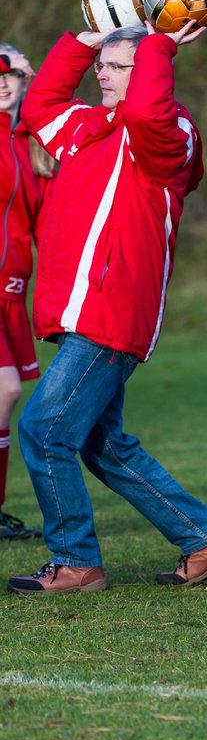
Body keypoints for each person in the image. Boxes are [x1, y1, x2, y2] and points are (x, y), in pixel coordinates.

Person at [7, 22, 207, 595]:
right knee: (100, 442)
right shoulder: (90, 125)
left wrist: (160, 46)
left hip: (110, 312)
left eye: (115, 66)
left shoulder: (171, 129)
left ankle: (75, 562)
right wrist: (85, 39)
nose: (100, 73)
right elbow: (39, 105)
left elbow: (148, 115)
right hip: (82, 311)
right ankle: (206, 539)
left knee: (43, 432)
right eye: (101, 64)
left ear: (149, 76)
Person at [0, 45, 54, 541]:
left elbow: (50, 229)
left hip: (12, 297)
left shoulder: (33, 145)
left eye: (11, 71)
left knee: (6, 396)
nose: (1, 80)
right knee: (7, 390)